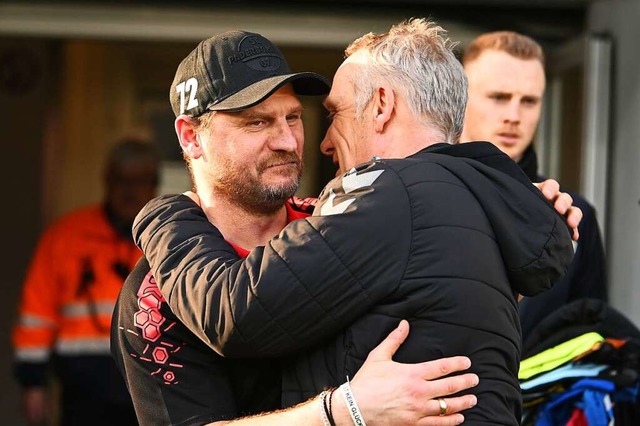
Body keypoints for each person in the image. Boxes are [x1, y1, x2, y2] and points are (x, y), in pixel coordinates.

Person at [131, 19, 577, 425]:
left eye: (314, 116)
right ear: (190, 137)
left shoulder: (390, 195)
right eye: (257, 122)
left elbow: (234, 312)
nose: (309, 142)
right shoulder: (477, 200)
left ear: (381, 106)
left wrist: (161, 214)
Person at [459, 30, 608, 339]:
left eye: (528, 101)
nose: (514, 116)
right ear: (461, 97)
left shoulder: (576, 215)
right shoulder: (418, 195)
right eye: (499, 97)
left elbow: (590, 342)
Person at [13, 138, 160, 426]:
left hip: (152, 384)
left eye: (139, 181)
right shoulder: (66, 236)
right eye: (121, 180)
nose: (130, 191)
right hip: (84, 388)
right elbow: (37, 314)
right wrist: (33, 382)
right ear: (107, 181)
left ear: (154, 184)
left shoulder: (171, 240)